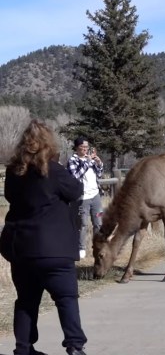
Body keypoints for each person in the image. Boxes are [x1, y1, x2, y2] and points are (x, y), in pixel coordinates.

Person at [3, 120, 88, 355]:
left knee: (26, 301)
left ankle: (23, 348)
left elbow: (11, 197)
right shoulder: (55, 170)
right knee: (66, 298)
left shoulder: (13, 172)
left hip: (22, 248)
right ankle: (74, 346)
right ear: (50, 144)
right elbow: (76, 191)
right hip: (55, 249)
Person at [67, 137, 104, 259]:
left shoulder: (90, 159)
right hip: (82, 197)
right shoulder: (73, 160)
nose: (85, 150)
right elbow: (76, 176)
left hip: (95, 196)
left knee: (98, 222)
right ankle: (81, 247)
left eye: (87, 147)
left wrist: (98, 163)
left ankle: (98, 246)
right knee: (82, 224)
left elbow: (99, 174)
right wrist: (87, 162)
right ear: (77, 148)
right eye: (83, 147)